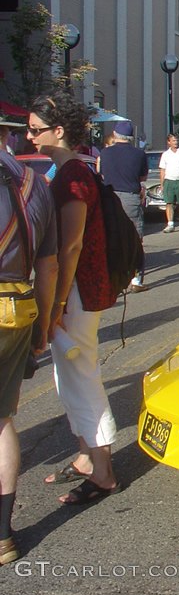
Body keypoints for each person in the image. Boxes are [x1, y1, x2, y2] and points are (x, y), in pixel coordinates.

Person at [27, 94, 121, 506]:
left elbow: (70, 245)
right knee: (70, 376)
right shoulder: (70, 171)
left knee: (81, 377)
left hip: (78, 292)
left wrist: (57, 302)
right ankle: (87, 457)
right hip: (83, 289)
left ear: (58, 131)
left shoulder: (72, 175)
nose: (29, 136)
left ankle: (103, 471)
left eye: (35, 129)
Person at [0, 149, 58, 563]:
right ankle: (2, 535)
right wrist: (42, 329)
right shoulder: (33, 183)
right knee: (2, 421)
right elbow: (49, 265)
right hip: (16, 308)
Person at [98, 121, 149, 292]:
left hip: (109, 197)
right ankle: (136, 279)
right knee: (135, 237)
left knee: (110, 237)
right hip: (130, 197)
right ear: (131, 137)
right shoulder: (139, 154)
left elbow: (101, 173)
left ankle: (111, 277)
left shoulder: (104, 153)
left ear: (114, 135)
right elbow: (142, 177)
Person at [159, 133, 179, 233]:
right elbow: (162, 170)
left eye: (177, 140)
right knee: (169, 203)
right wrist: (162, 184)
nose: (175, 142)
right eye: (173, 140)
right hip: (169, 180)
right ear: (169, 142)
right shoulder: (165, 154)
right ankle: (170, 224)